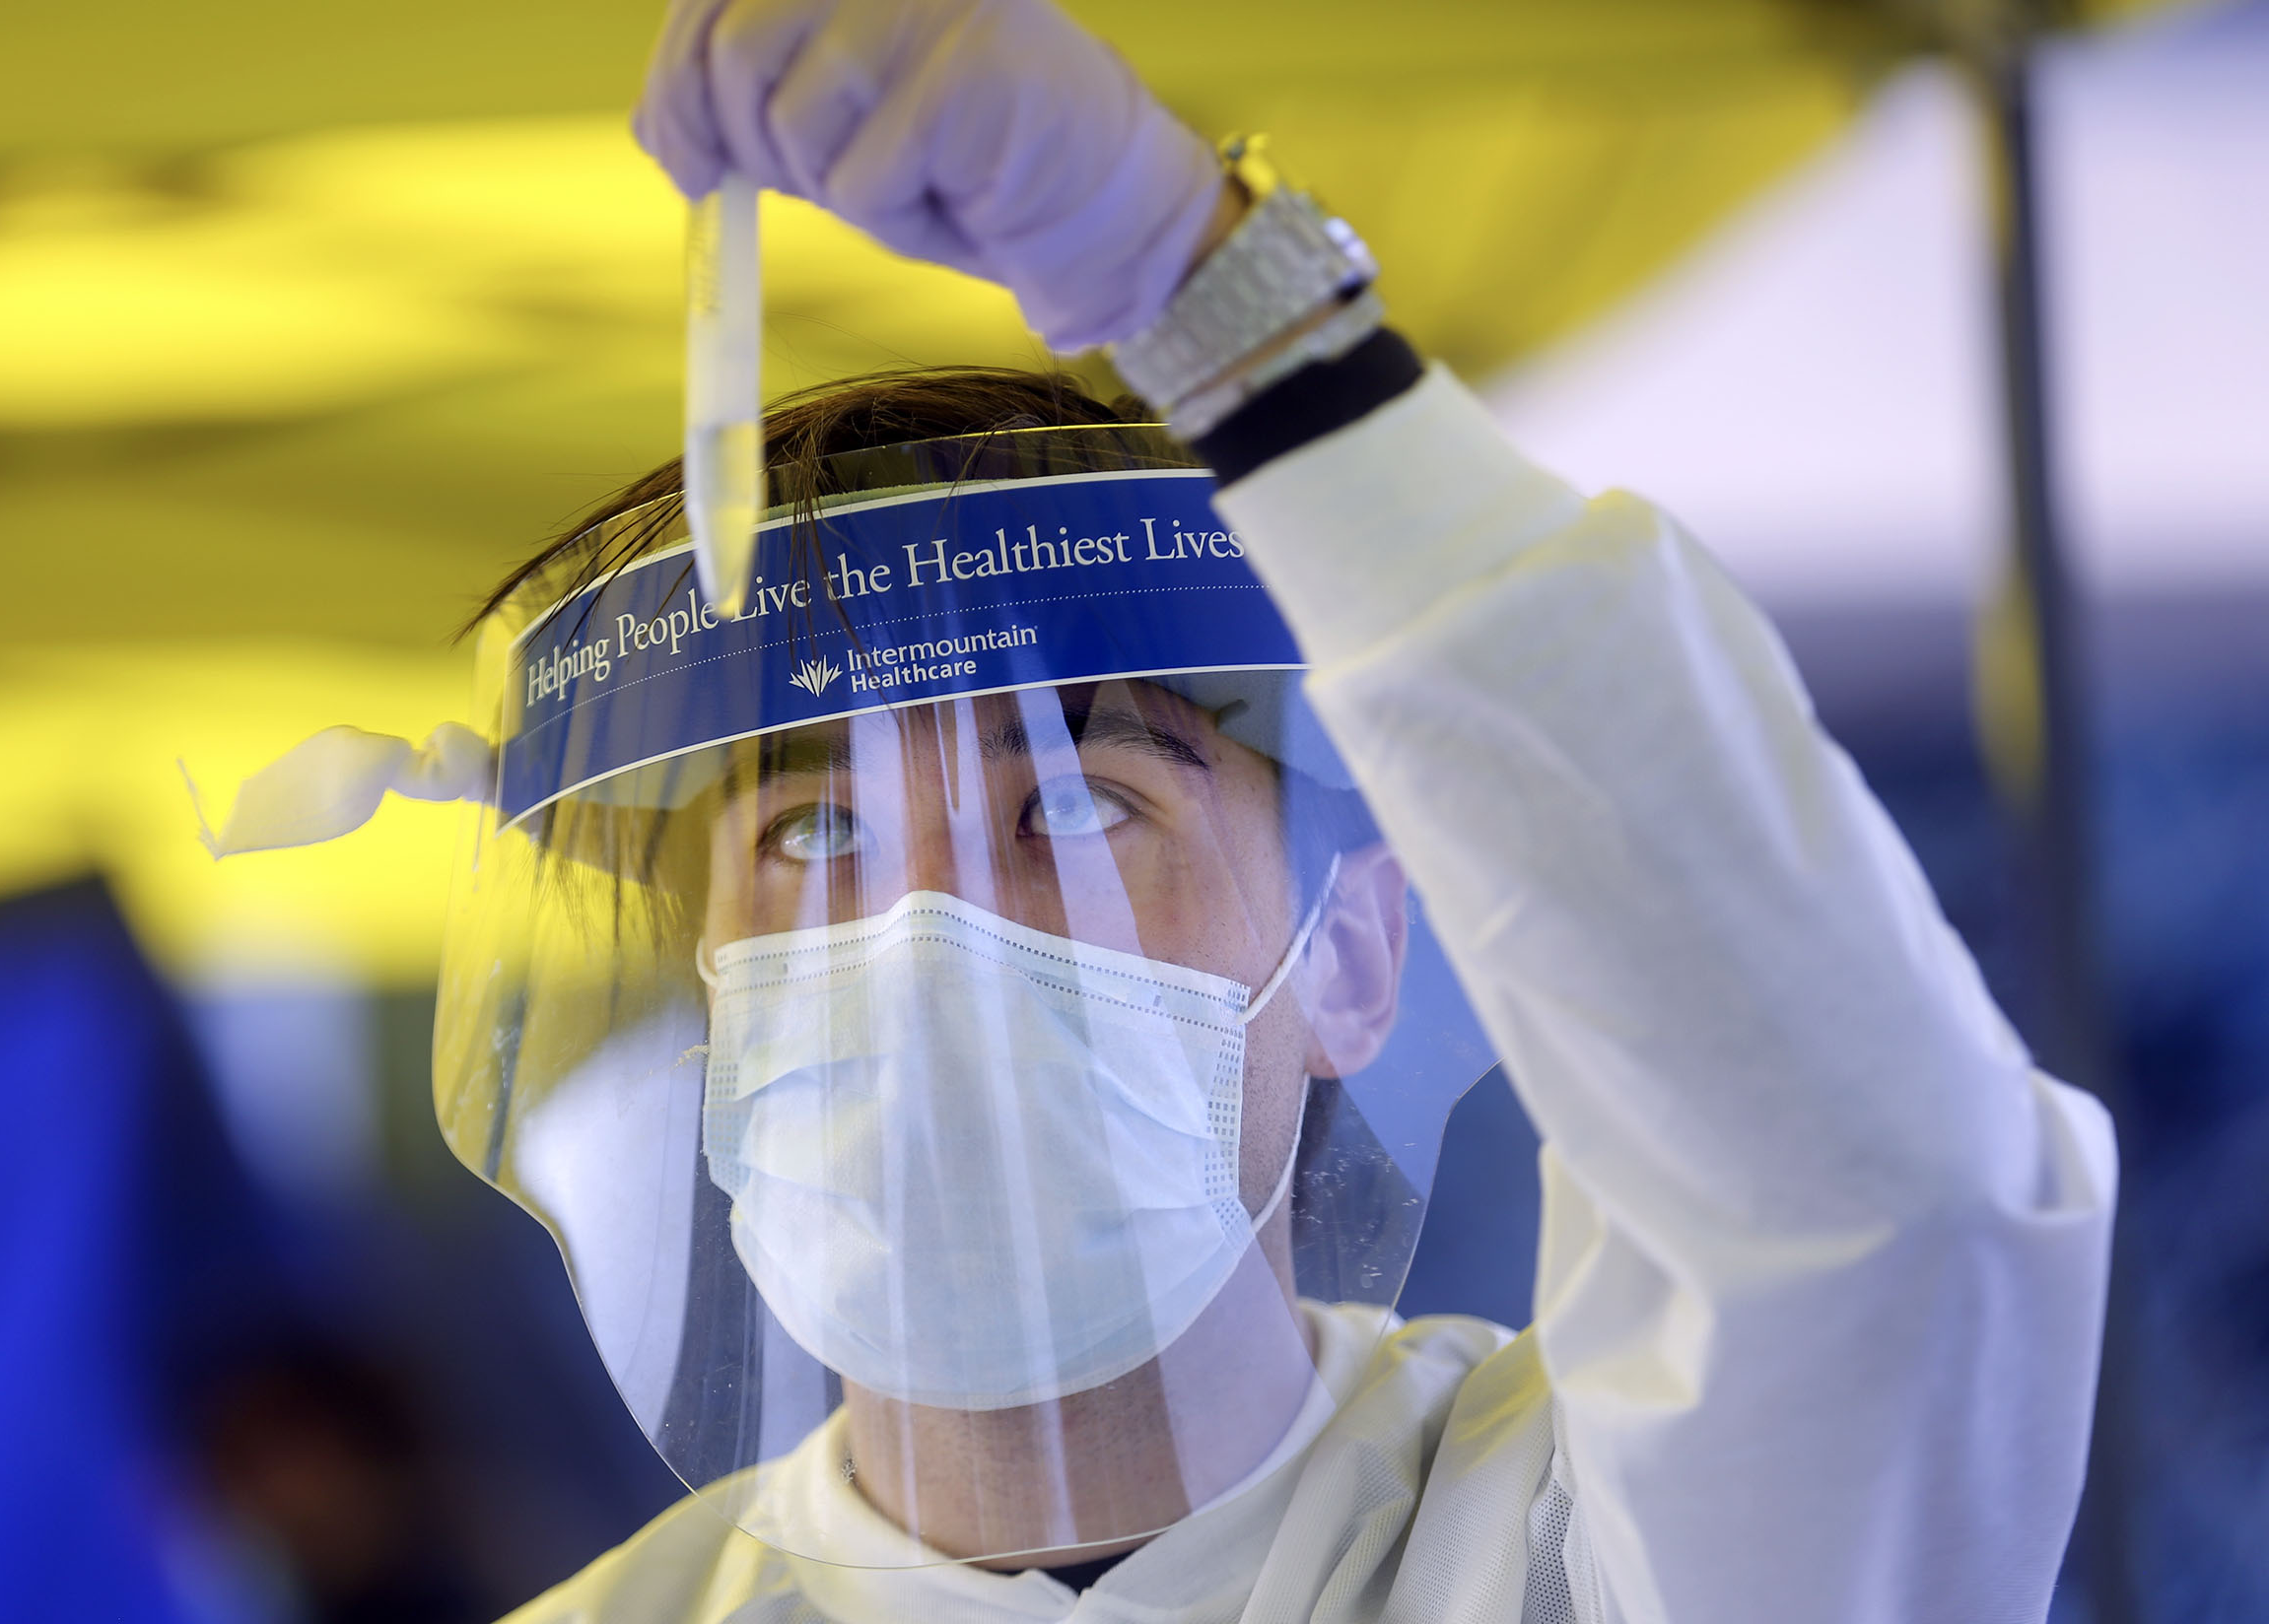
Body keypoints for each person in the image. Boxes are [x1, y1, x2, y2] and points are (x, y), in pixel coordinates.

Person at [211, 2, 2114, 1618]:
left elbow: (1881, 1206)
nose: (926, 936)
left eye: (1076, 799)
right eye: (817, 837)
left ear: (1355, 954)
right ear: (710, 993)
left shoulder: (1577, 1551)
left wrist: (1233, 312)